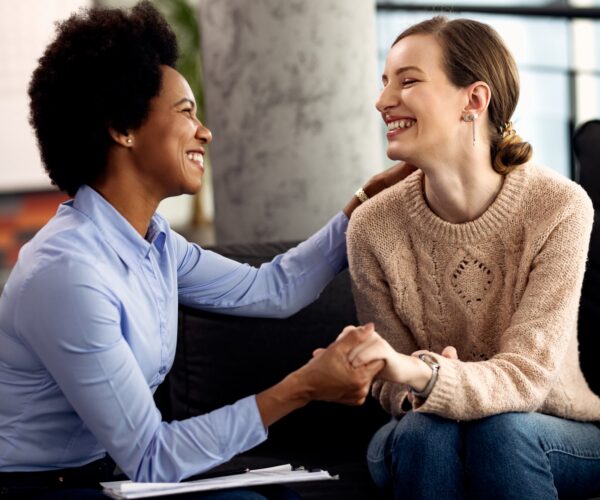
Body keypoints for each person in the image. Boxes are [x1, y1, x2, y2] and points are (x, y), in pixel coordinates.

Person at [0, 2, 412, 498]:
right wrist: (302, 387)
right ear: (122, 128)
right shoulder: (67, 274)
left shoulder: (156, 243)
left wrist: (363, 205)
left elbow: (274, 288)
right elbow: (153, 456)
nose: (205, 131)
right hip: (39, 488)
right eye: (186, 112)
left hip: (107, 474)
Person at [345, 16, 600, 499]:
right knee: (427, 433)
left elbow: (527, 377)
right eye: (384, 83)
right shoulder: (372, 226)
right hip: (424, 430)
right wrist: (414, 385)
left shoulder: (560, 208)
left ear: (474, 100)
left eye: (409, 81)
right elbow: (389, 388)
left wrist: (425, 374)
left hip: (550, 425)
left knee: (502, 433)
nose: (382, 102)